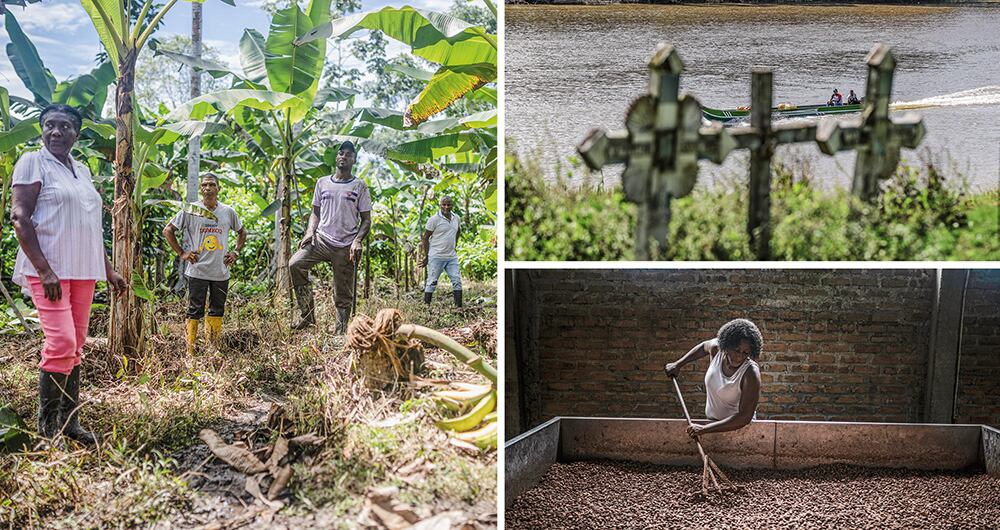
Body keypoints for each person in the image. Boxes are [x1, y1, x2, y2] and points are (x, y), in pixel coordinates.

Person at [10, 104, 127, 446]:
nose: (56, 132)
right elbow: (20, 217)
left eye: (64, 126)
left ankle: (69, 423)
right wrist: (45, 270)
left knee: (75, 348)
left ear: (77, 133)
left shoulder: (82, 170)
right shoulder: (33, 161)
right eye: (49, 125)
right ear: (42, 130)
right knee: (60, 343)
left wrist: (108, 270)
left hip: (83, 270)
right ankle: (47, 430)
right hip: (49, 270)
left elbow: (90, 226)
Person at [289, 141, 371, 333]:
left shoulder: (360, 186)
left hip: (346, 244)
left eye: (348, 154)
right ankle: (307, 317)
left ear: (354, 160)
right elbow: (315, 212)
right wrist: (310, 231)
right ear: (336, 157)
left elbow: (366, 220)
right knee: (295, 264)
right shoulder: (322, 182)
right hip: (321, 240)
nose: (344, 156)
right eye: (341, 153)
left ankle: (341, 329)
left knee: (343, 290)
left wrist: (357, 241)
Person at [163, 173, 246, 354]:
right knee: (194, 311)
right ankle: (190, 351)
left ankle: (212, 350)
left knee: (217, 310)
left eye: (211, 185)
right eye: (204, 185)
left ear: (218, 189)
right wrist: (182, 253)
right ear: (201, 189)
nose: (207, 188)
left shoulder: (227, 211)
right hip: (197, 271)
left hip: (220, 272)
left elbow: (242, 232)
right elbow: (168, 230)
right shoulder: (191, 210)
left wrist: (236, 252)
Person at [663, 318, 762, 438]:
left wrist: (705, 429)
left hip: (741, 431)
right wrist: (678, 364)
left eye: (745, 353)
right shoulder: (717, 349)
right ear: (727, 345)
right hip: (712, 425)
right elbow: (703, 346)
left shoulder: (750, 373)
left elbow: (744, 417)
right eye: (736, 350)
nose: (739, 356)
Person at [421, 196, 463, 308]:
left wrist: (455, 245)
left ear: (452, 205)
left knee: (457, 280)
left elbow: (458, 231)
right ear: (440, 205)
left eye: (449, 204)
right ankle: (426, 307)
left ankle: (459, 307)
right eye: (444, 204)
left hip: (451, 256)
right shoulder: (434, 220)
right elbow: (425, 238)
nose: (446, 207)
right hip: (436, 256)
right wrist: (427, 256)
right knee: (432, 282)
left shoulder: (456, 218)